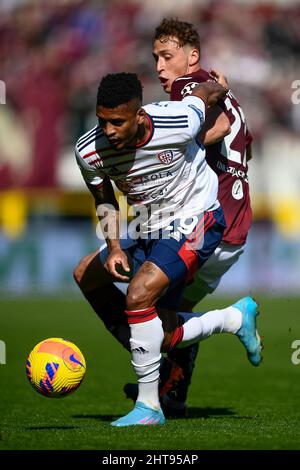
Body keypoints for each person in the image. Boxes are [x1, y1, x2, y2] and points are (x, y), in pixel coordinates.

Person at [74, 72, 262, 426]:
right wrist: (114, 246)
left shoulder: (176, 120)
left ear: (139, 115)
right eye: (102, 121)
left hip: (198, 221)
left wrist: (222, 88)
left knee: (138, 295)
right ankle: (232, 319)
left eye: (117, 122)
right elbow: (104, 200)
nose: (108, 130)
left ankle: (149, 408)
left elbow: (205, 93)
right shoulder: (89, 150)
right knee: (87, 275)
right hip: (148, 226)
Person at [127, 17, 253, 415]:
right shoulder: (215, 90)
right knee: (173, 310)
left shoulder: (190, 87)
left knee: (144, 302)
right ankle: (172, 388)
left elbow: (218, 127)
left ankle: (235, 319)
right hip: (234, 225)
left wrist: (163, 141)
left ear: (192, 56)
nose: (160, 67)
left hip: (208, 221)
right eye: (155, 58)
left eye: (167, 56)